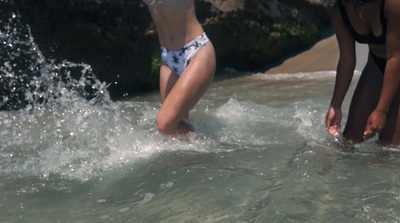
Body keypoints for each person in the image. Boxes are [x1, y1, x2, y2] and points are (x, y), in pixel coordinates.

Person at [325, 0, 400, 144]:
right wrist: (336, 105)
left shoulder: (393, 4)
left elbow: (396, 58)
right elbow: (346, 60)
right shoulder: (340, 11)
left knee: (389, 145)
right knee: (350, 138)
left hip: (396, 60)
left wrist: (381, 110)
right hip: (377, 63)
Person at [143, 0, 216, 135]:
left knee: (165, 125)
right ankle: (196, 153)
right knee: (175, 127)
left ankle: (214, 146)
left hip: (196, 52)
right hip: (168, 57)